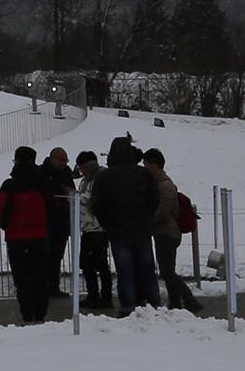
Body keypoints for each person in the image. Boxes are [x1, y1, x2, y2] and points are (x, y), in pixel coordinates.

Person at [88, 133, 161, 310]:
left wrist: (107, 223)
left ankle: (128, 307)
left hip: (118, 232)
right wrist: (146, 216)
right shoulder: (143, 173)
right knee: (147, 271)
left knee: (125, 272)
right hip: (142, 230)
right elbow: (154, 199)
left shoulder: (105, 176)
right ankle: (154, 305)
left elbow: (97, 204)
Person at [0, 145, 56, 323]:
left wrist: (9, 226)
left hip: (17, 238)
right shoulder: (42, 183)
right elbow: (52, 207)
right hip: (39, 237)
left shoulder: (10, 185)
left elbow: (0, 211)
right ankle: (40, 313)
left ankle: (27, 314)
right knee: (40, 277)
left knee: (22, 280)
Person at [145, 147, 198, 312]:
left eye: (146, 164)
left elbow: (163, 211)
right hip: (164, 232)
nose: (145, 167)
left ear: (155, 164)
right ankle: (175, 302)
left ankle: (189, 300)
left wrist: (149, 222)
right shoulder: (159, 183)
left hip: (167, 232)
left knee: (167, 271)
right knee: (168, 270)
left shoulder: (166, 185)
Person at [74, 151, 115, 312]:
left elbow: (94, 199)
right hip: (88, 228)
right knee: (87, 263)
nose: (80, 170)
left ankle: (104, 297)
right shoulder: (85, 181)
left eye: (82, 167)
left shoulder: (100, 179)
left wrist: (77, 197)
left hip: (99, 228)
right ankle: (94, 295)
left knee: (100, 263)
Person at [40, 146, 77, 307]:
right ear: (53, 158)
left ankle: (53, 286)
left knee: (56, 256)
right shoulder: (42, 173)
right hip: (48, 221)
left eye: (65, 161)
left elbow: (72, 192)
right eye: (61, 160)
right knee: (46, 255)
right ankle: (44, 287)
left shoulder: (66, 173)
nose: (63, 164)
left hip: (61, 221)